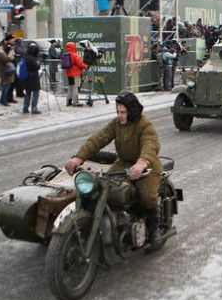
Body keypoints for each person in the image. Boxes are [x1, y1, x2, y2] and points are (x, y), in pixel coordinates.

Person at [64, 90, 164, 243]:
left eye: (123, 112)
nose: (120, 115)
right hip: (123, 163)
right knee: (102, 188)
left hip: (147, 166)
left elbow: (150, 144)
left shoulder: (144, 125)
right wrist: (79, 158)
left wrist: (142, 163)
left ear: (132, 111)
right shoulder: (116, 123)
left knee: (146, 197)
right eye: (118, 111)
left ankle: (154, 229)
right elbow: (98, 139)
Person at [0, 40, 16, 107]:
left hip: (4, 70)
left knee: (6, 86)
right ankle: (3, 101)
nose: (2, 47)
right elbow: (6, 60)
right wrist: (11, 54)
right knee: (5, 86)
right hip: (4, 71)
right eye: (1, 46)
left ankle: (3, 100)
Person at [64, 41, 88, 106]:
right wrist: (86, 66)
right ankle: (75, 102)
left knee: (70, 87)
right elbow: (80, 64)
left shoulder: (66, 54)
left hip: (69, 74)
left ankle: (68, 102)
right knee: (75, 88)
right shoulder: (75, 55)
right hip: (75, 74)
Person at [21, 42, 42, 114]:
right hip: (33, 77)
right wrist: (39, 62)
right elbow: (37, 67)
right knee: (36, 92)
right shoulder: (32, 59)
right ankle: (34, 108)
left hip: (26, 77)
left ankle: (25, 107)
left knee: (28, 93)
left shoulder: (25, 57)